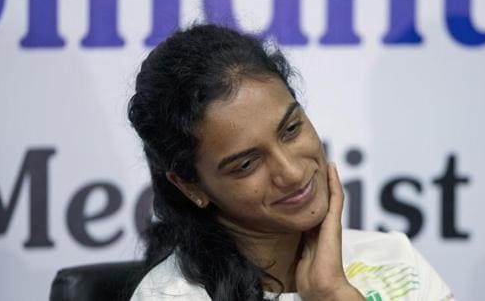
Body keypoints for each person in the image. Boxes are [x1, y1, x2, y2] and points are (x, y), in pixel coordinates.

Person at [127, 24, 454, 301]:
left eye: (291, 129)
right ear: (190, 185)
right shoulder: (169, 295)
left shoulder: (394, 260)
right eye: (246, 165)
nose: (293, 172)